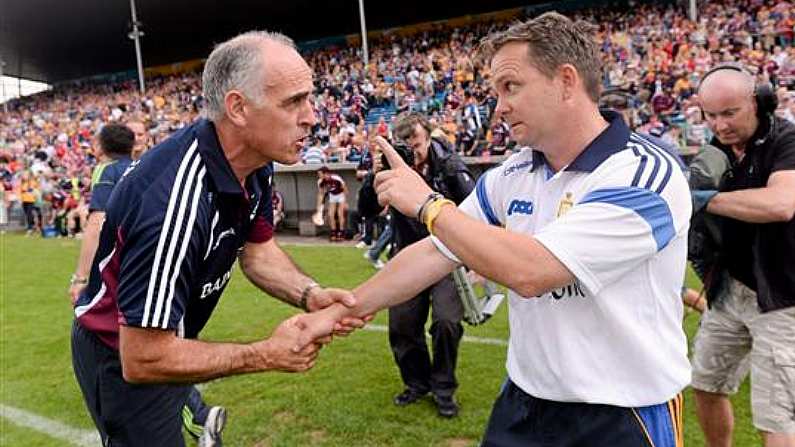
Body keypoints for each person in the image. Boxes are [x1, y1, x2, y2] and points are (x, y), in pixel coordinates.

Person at [298, 12, 691, 446]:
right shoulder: (513, 173)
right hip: (524, 400)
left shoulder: (644, 175)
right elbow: (435, 252)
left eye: (511, 87)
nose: (499, 107)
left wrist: (428, 203)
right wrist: (338, 314)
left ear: (566, 81)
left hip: (622, 413)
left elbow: (533, 272)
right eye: (496, 92)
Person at [70, 31, 365, 446]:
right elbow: (142, 356)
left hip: (166, 337)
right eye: (293, 101)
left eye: (309, 97)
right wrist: (265, 353)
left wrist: (309, 294)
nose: (312, 116)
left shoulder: (255, 164)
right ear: (238, 109)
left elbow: (258, 252)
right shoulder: (173, 202)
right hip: (119, 351)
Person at [68, 123, 228, 446]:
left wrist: (81, 277)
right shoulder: (147, 165)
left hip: (121, 295)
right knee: (162, 345)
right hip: (161, 279)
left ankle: (197, 416)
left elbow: (98, 221)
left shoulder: (108, 171)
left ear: (102, 147)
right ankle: (198, 415)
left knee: (144, 351)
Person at [691, 64, 795, 447]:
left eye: (729, 112)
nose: (719, 125)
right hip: (729, 291)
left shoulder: (788, 139)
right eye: (711, 115)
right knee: (705, 384)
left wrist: (707, 201)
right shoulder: (717, 149)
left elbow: (782, 204)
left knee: (775, 414)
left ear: (759, 102)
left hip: (782, 296)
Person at [361, 111, 475, 418]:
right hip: (407, 257)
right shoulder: (393, 171)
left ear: (429, 136)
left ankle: (443, 388)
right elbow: (366, 210)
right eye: (406, 143)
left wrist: (474, 260)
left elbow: (476, 209)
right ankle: (417, 383)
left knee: (447, 323)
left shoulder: (449, 165)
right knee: (402, 326)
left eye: (417, 141)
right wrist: (374, 177)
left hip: (446, 256)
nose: (413, 149)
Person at [316, 166, 348, 241]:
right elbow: (321, 193)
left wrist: (345, 202)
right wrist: (318, 206)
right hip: (332, 196)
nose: (319, 175)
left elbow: (345, 189)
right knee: (331, 214)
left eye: (320, 174)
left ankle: (341, 232)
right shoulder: (320, 181)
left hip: (340, 195)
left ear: (325, 173)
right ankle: (333, 232)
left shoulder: (336, 178)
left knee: (340, 214)